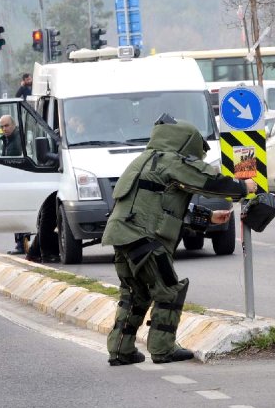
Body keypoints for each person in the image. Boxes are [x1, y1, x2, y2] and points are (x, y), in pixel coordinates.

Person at [102, 114, 257, 366]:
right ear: (185, 143)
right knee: (169, 291)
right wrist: (242, 187)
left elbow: (161, 207)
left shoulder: (144, 161)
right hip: (145, 239)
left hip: (122, 237)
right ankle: (163, 349)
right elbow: (207, 180)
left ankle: (121, 350)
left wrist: (207, 218)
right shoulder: (171, 161)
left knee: (135, 293)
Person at [0, 115, 27, 255]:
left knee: (19, 214)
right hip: (13, 181)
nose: (4, 129)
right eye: (2, 126)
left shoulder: (16, 140)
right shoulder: (8, 140)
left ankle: (21, 244)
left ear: (14, 124)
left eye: (7, 125)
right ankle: (21, 243)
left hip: (18, 181)